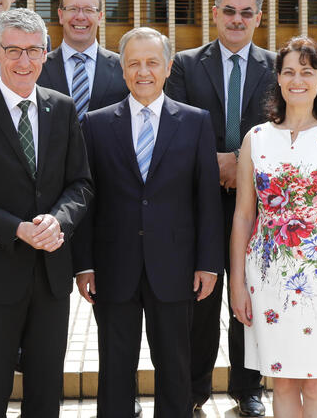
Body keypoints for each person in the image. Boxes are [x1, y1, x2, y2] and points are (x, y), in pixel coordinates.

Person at [0, 8, 93, 418]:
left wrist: (58, 220)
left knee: (45, 394)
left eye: (33, 51)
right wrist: (17, 229)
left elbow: (81, 183)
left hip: (50, 276)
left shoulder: (62, 108)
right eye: (13, 51)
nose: (24, 62)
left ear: (45, 54)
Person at [75, 27, 223, 417]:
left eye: (152, 62)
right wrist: (84, 264)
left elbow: (207, 198)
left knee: (175, 368)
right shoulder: (96, 123)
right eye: (134, 63)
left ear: (168, 67)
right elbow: (87, 200)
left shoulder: (195, 122)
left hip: (175, 266)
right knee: (114, 369)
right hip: (113, 267)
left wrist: (209, 263)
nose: (143, 71)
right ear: (122, 70)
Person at [228, 36, 317, 417]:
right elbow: (244, 215)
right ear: (278, 77)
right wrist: (237, 283)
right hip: (267, 277)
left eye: (307, 72)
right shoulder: (256, 138)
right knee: (282, 380)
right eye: (289, 71)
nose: (297, 80)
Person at [165, 0, 277, 417]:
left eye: (246, 12)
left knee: (249, 297)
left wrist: (237, 161)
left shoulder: (277, 66)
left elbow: (282, 129)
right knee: (202, 299)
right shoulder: (186, 65)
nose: (237, 20)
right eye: (229, 11)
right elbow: (172, 127)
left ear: (258, 18)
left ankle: (247, 388)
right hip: (201, 203)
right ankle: (195, 389)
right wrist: (216, 163)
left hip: (259, 207)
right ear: (215, 13)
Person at [37, 0, 129, 121]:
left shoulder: (123, 67)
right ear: (61, 15)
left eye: (89, 10)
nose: (80, 17)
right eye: (73, 9)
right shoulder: (39, 67)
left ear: (99, 17)